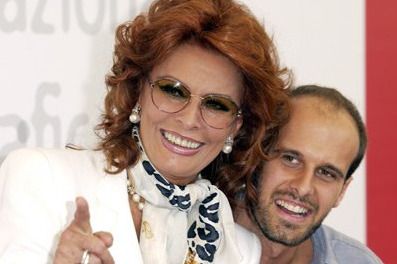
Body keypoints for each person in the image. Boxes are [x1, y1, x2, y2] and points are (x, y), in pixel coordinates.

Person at [0, 0, 290, 263]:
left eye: (216, 104)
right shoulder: (42, 177)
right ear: (138, 90)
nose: (189, 120)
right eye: (173, 91)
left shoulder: (240, 249)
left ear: (236, 126)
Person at [236, 85, 382, 263]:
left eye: (326, 173)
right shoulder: (196, 235)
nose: (303, 187)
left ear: (342, 191)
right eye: (291, 159)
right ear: (258, 156)